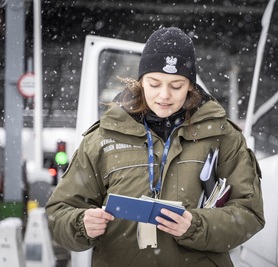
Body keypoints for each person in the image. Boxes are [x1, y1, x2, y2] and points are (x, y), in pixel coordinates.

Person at [46, 27, 265, 267]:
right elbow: (59, 212)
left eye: (176, 85)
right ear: (140, 81)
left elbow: (249, 213)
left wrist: (196, 226)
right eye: (154, 83)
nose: (164, 95)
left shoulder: (223, 136)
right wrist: (80, 223)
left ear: (191, 85)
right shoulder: (102, 138)